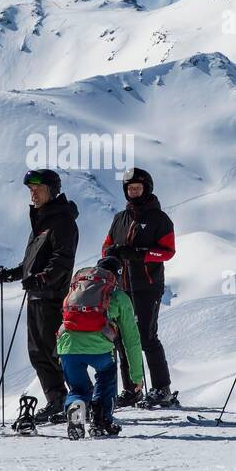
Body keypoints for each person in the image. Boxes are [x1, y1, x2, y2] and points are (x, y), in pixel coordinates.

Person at [0, 170, 79, 422]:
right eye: (30, 189)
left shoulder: (62, 222)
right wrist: (13, 274)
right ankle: (57, 400)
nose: (33, 193)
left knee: (55, 353)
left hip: (52, 298)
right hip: (36, 297)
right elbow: (32, 262)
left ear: (52, 190)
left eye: (38, 189)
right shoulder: (41, 223)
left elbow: (62, 261)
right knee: (38, 353)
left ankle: (77, 400)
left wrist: (41, 278)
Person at [101, 167, 176, 408]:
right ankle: (132, 389)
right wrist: (111, 254)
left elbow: (167, 252)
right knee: (122, 337)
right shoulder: (120, 218)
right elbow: (107, 245)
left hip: (148, 285)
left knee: (146, 336)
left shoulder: (159, 219)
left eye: (137, 188)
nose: (133, 192)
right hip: (122, 286)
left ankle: (161, 389)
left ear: (147, 188)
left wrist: (139, 254)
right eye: (130, 189)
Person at [57, 256, 144, 439]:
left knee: (78, 390)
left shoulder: (77, 288)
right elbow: (132, 340)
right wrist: (136, 376)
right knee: (106, 377)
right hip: (100, 349)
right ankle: (101, 421)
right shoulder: (119, 296)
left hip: (68, 347)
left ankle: (76, 406)